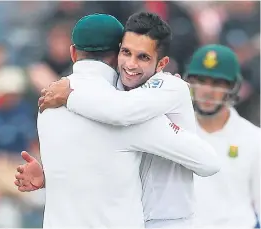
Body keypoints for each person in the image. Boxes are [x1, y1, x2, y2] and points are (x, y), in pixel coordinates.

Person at [15, 12, 221, 228]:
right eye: (127, 53)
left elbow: (97, 161)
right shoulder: (129, 109)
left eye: (142, 56)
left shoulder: (48, 102)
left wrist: (52, 176)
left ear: (73, 53)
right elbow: (209, 162)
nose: (131, 64)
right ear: (117, 55)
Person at [183, 44, 260, 228]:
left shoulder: (254, 139)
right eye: (201, 81)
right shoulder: (175, 131)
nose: (208, 91)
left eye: (217, 83)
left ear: (233, 88)